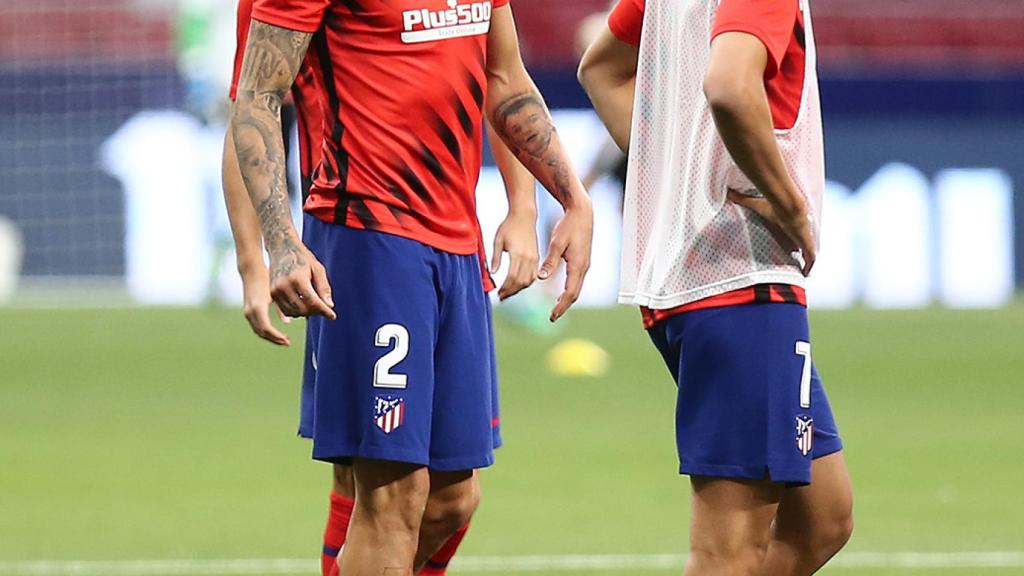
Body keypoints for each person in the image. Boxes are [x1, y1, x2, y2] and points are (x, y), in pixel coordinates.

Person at [230, 0, 594, 574]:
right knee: (391, 495)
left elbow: (503, 77)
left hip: (456, 239)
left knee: (453, 498)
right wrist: (274, 247)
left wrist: (570, 198)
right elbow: (257, 98)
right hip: (367, 239)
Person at [579, 0, 853, 574]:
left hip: (698, 281)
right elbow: (729, 85)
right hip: (739, 279)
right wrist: (791, 206)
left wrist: (679, 176)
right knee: (728, 553)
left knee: (822, 516)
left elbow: (600, 69)